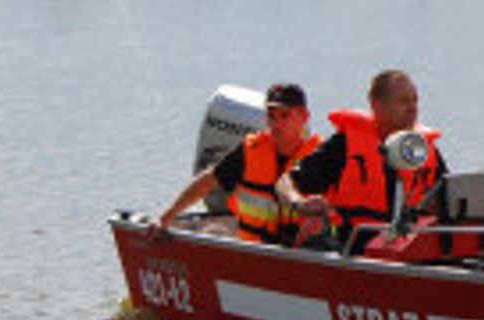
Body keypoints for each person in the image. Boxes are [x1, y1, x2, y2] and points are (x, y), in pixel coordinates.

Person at [276, 70, 447, 252]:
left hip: (410, 254)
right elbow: (285, 182)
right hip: (353, 250)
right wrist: (299, 203)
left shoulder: (423, 149)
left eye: (415, 100)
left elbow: (452, 195)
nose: (413, 108)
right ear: (376, 106)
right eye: (403, 101)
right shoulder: (346, 145)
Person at [151, 83, 323, 245]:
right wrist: (165, 219)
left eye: (285, 115)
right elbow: (209, 181)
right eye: (271, 116)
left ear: (304, 117)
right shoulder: (252, 149)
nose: (276, 124)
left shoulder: (321, 157)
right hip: (251, 250)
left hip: (300, 255)